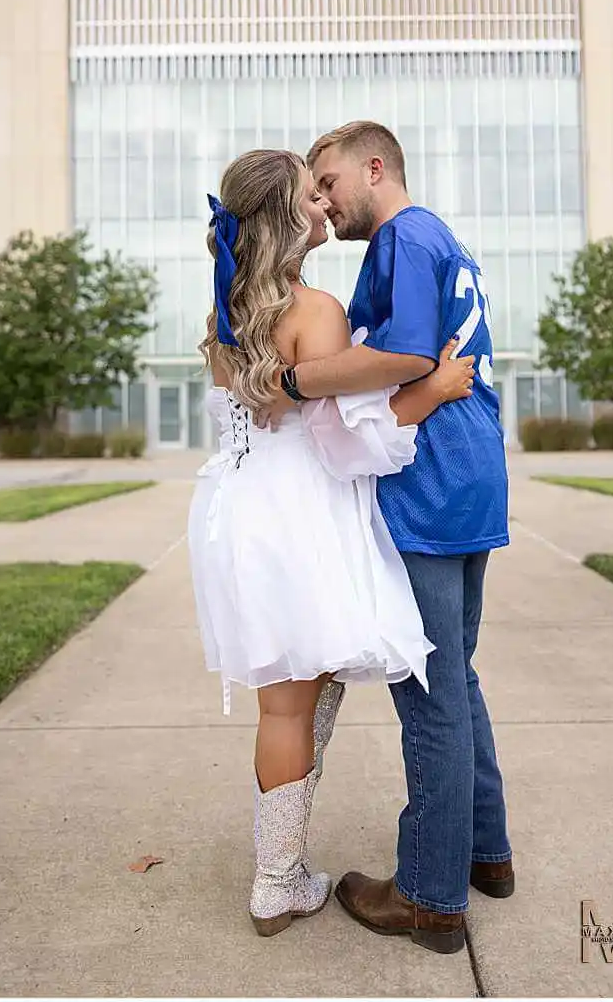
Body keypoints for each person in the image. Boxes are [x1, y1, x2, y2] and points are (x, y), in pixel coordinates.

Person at [188, 148, 477, 938]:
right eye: (309, 196)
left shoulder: (225, 312)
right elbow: (351, 438)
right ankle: (276, 880)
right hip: (297, 515)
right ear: (288, 217)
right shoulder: (312, 310)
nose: (323, 203)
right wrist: (435, 391)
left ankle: (281, 871)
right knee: (295, 699)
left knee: (293, 695)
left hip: (236, 511)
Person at [260, 120, 513, 954]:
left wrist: (289, 379)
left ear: (377, 167)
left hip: (430, 480)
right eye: (315, 190)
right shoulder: (442, 237)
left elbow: (404, 355)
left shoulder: (402, 237)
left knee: (430, 689)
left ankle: (430, 896)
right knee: (459, 678)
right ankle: (485, 851)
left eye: (329, 180)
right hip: (472, 470)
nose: (325, 199)